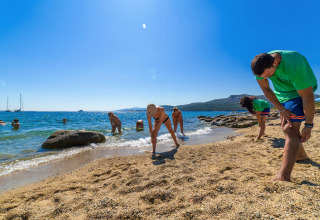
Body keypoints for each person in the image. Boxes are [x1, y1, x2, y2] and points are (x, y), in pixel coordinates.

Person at [251, 50, 317, 182]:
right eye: (263, 76)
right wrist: (281, 109)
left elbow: (307, 96)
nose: (265, 78)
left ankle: (284, 176)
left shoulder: (293, 65)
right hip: (282, 94)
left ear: (275, 62)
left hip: (299, 91)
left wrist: (308, 126)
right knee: (286, 127)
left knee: (290, 128)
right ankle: (301, 156)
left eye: (268, 74)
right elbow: (266, 89)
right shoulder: (261, 68)